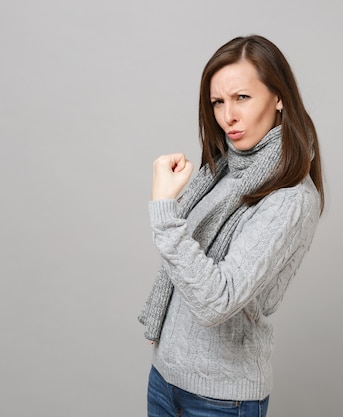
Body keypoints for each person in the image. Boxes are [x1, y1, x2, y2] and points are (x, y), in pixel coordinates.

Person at [138, 34, 324, 417]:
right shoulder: (220, 169)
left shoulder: (291, 199)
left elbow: (216, 300)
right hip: (164, 379)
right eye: (218, 102)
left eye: (242, 97)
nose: (228, 116)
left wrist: (164, 211)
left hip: (220, 400)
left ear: (279, 98)